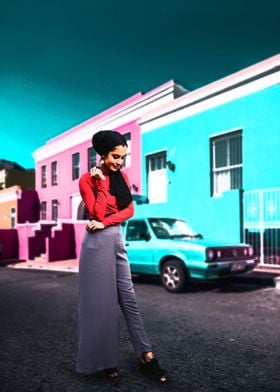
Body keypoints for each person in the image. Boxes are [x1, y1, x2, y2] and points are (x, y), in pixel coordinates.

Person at [76, 130, 167, 383]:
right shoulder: (86, 181)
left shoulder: (122, 177)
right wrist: (101, 186)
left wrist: (105, 223)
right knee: (101, 305)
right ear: (102, 154)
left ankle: (145, 354)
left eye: (123, 157)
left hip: (115, 239)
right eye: (116, 157)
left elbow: (128, 210)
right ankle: (105, 361)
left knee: (129, 299)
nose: (120, 162)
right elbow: (94, 211)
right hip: (95, 245)